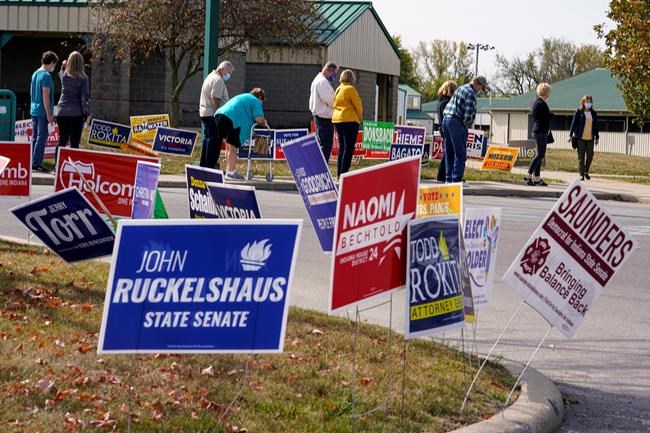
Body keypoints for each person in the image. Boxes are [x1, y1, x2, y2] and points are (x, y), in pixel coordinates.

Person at [442, 76, 488, 184]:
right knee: (460, 154)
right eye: (481, 88)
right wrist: (465, 126)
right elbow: (468, 115)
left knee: (449, 152)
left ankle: (448, 179)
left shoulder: (461, 88)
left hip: (446, 119)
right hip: (456, 123)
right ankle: (457, 180)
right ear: (477, 84)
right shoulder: (471, 94)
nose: (480, 91)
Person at [214, 88, 268, 181]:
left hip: (219, 116)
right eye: (262, 100)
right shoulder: (255, 101)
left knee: (228, 147)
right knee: (233, 148)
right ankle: (231, 173)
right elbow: (259, 119)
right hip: (233, 120)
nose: (261, 103)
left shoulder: (244, 97)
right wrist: (264, 122)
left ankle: (228, 170)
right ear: (260, 97)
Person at [199, 61, 235, 169]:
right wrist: (218, 114)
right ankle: (210, 166)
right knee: (214, 141)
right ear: (222, 69)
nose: (229, 75)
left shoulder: (210, 76)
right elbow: (215, 97)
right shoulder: (218, 80)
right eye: (229, 72)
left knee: (208, 139)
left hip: (205, 113)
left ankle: (204, 164)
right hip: (212, 114)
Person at [55, 51, 90, 159]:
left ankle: (57, 166)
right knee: (74, 142)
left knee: (62, 140)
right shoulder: (83, 79)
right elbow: (84, 98)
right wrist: (87, 114)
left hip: (61, 112)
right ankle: (73, 167)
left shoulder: (64, 76)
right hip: (76, 113)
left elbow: (60, 71)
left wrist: (63, 65)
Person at [30, 50, 58, 173]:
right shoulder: (46, 76)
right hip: (42, 111)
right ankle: (36, 163)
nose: (54, 67)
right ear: (51, 62)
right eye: (54, 64)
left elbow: (32, 92)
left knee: (35, 137)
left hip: (34, 109)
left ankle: (31, 161)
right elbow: (45, 96)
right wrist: (49, 115)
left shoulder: (35, 73)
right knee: (42, 137)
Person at [332, 69, 363, 178]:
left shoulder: (338, 89)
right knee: (349, 148)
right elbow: (358, 106)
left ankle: (339, 173)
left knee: (342, 148)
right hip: (349, 120)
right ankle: (344, 174)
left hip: (337, 120)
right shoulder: (350, 89)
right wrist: (359, 118)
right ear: (351, 78)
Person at [524, 83, 552, 186]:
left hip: (537, 130)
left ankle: (537, 178)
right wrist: (551, 115)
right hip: (541, 131)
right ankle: (528, 175)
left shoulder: (535, 102)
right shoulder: (542, 104)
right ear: (546, 92)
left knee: (540, 155)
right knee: (540, 154)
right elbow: (545, 118)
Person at [309, 61, 338, 162]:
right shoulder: (322, 82)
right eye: (333, 73)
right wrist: (338, 104)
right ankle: (322, 167)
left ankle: (321, 166)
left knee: (323, 143)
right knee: (325, 145)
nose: (334, 76)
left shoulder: (319, 80)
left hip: (321, 117)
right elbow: (330, 100)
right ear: (327, 70)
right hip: (324, 118)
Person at [569, 95, 600, 181]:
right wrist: (570, 135)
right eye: (586, 102)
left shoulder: (593, 113)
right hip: (580, 138)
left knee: (590, 155)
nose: (588, 103)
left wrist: (597, 137)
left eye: (590, 102)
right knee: (581, 156)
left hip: (590, 138)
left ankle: (586, 171)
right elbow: (573, 123)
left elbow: (596, 126)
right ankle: (581, 174)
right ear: (583, 102)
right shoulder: (579, 112)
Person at [436, 80, 458, 182]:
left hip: (441, 127)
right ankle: (443, 174)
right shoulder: (448, 103)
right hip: (448, 128)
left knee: (447, 151)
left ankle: (442, 174)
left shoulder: (440, 101)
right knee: (449, 152)